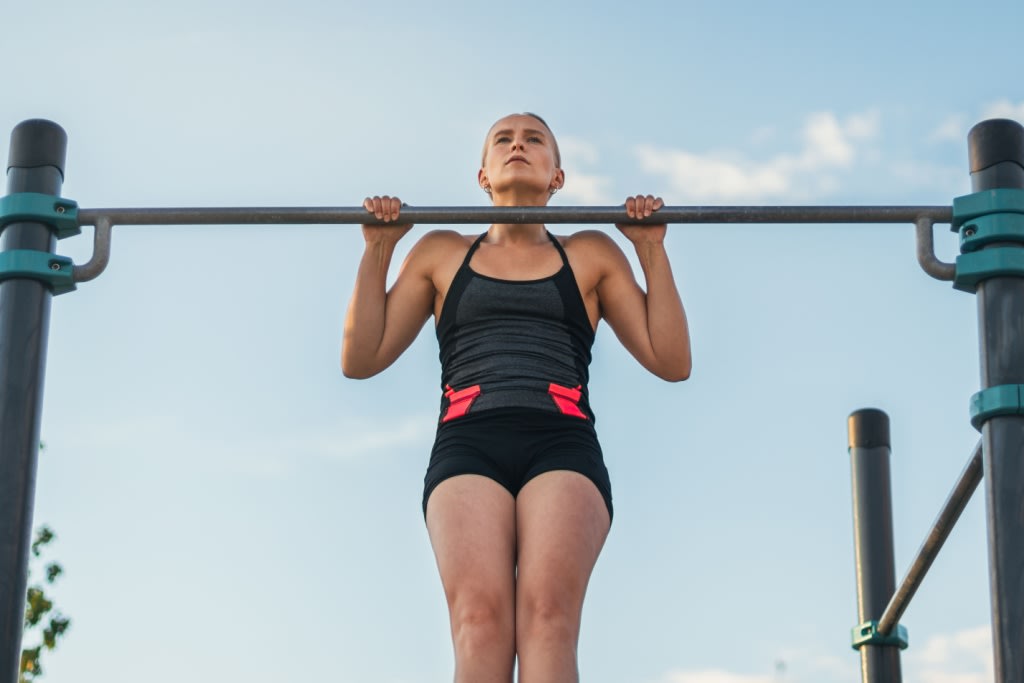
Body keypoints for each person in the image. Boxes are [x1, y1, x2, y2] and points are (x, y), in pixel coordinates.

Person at [342, 113, 691, 682]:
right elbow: (361, 359)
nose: (518, 146)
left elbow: (672, 362)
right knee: (479, 621)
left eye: (534, 140)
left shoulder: (591, 254)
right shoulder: (440, 252)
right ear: (483, 175)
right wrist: (378, 249)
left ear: (558, 177)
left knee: (548, 617)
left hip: (562, 442)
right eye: (503, 140)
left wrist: (651, 249)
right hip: (467, 443)